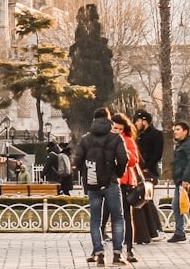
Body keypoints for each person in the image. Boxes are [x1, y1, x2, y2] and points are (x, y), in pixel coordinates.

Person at [74, 107, 128, 266]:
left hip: (93, 184)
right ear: (108, 119)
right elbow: (123, 159)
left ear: (94, 120)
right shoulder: (116, 138)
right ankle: (117, 255)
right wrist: (118, 173)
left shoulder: (85, 139)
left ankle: (99, 254)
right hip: (111, 182)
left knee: (95, 221)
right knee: (118, 218)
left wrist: (86, 173)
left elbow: (77, 162)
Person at [110, 113, 141, 263]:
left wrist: (123, 151)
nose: (116, 131)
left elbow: (134, 160)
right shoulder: (106, 140)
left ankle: (129, 248)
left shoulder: (127, 140)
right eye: (114, 128)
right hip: (110, 182)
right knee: (107, 217)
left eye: (119, 129)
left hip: (125, 182)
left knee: (126, 217)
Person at [133, 110, 163, 241]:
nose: (135, 124)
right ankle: (148, 231)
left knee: (148, 199)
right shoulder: (137, 135)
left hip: (149, 172)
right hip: (138, 172)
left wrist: (146, 168)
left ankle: (157, 229)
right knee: (142, 202)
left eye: (137, 121)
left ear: (144, 121)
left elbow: (157, 155)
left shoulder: (157, 135)